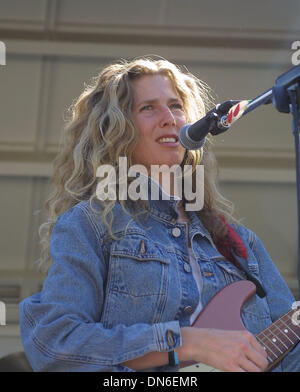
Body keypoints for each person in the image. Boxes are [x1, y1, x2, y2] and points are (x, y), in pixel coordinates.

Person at [19, 57, 300, 372]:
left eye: (176, 106)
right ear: (115, 131)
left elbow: (291, 352)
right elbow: (55, 343)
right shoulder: (91, 224)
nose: (169, 118)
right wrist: (186, 343)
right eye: (147, 108)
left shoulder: (239, 242)